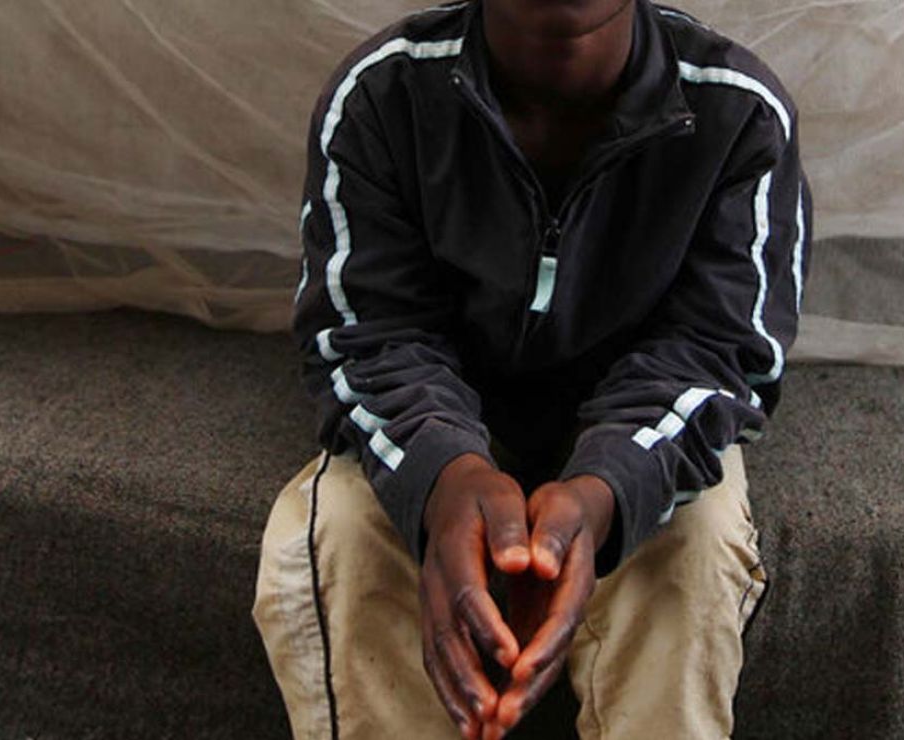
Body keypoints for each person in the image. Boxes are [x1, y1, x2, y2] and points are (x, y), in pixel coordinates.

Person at [252, 0, 811, 737]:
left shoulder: (742, 113)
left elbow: (720, 350)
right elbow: (369, 333)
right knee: (345, 530)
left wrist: (606, 488)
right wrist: (446, 479)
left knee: (697, 545)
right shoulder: (381, 93)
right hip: (445, 414)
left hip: (642, 430)